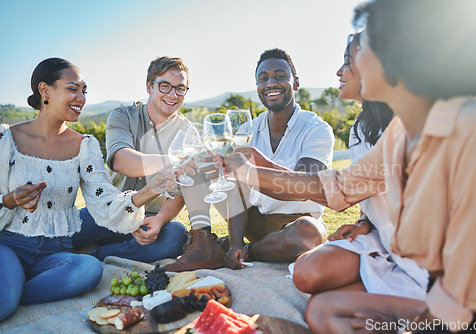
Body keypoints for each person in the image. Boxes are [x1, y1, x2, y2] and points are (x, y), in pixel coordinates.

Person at [223, 0, 476, 332]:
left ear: (395, 61)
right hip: (433, 288)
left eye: (353, 56)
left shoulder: (472, 125)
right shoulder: (400, 132)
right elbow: (340, 187)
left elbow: (475, 275)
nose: (342, 69)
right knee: (322, 311)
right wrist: (248, 172)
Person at [0, 58, 171, 321]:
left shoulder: (85, 146)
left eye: (84, 90)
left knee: (88, 268)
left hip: (56, 252)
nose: (82, 97)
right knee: (4, 304)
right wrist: (11, 200)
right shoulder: (7, 140)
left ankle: (11, 292)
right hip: (9, 246)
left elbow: (104, 203)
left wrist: (149, 190)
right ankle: (8, 294)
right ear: (44, 90)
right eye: (72, 89)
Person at [292, 32, 429, 302]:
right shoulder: (360, 127)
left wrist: (250, 171)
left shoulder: (404, 127)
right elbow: (376, 188)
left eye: (347, 62)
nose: (338, 71)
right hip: (385, 238)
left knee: (325, 309)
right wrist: (366, 221)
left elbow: (341, 190)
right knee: (306, 274)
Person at [72, 57, 225, 267]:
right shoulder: (123, 116)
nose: (173, 95)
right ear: (149, 86)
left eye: (180, 88)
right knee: (64, 230)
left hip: (150, 219)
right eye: (165, 86)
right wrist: (175, 160)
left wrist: (160, 219)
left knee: (176, 235)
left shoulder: (188, 132)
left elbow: (182, 191)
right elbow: (121, 161)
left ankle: (96, 255)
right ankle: (104, 250)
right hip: (111, 210)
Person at [217, 48, 335, 270]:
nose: (270, 83)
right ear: (258, 87)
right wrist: (235, 243)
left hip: (295, 223)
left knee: (309, 234)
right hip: (255, 218)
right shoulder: (247, 129)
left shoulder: (317, 129)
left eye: (280, 76)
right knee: (208, 169)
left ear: (296, 83)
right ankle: (227, 246)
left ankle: (250, 251)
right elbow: (238, 190)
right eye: (263, 79)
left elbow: (301, 186)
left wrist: (256, 163)